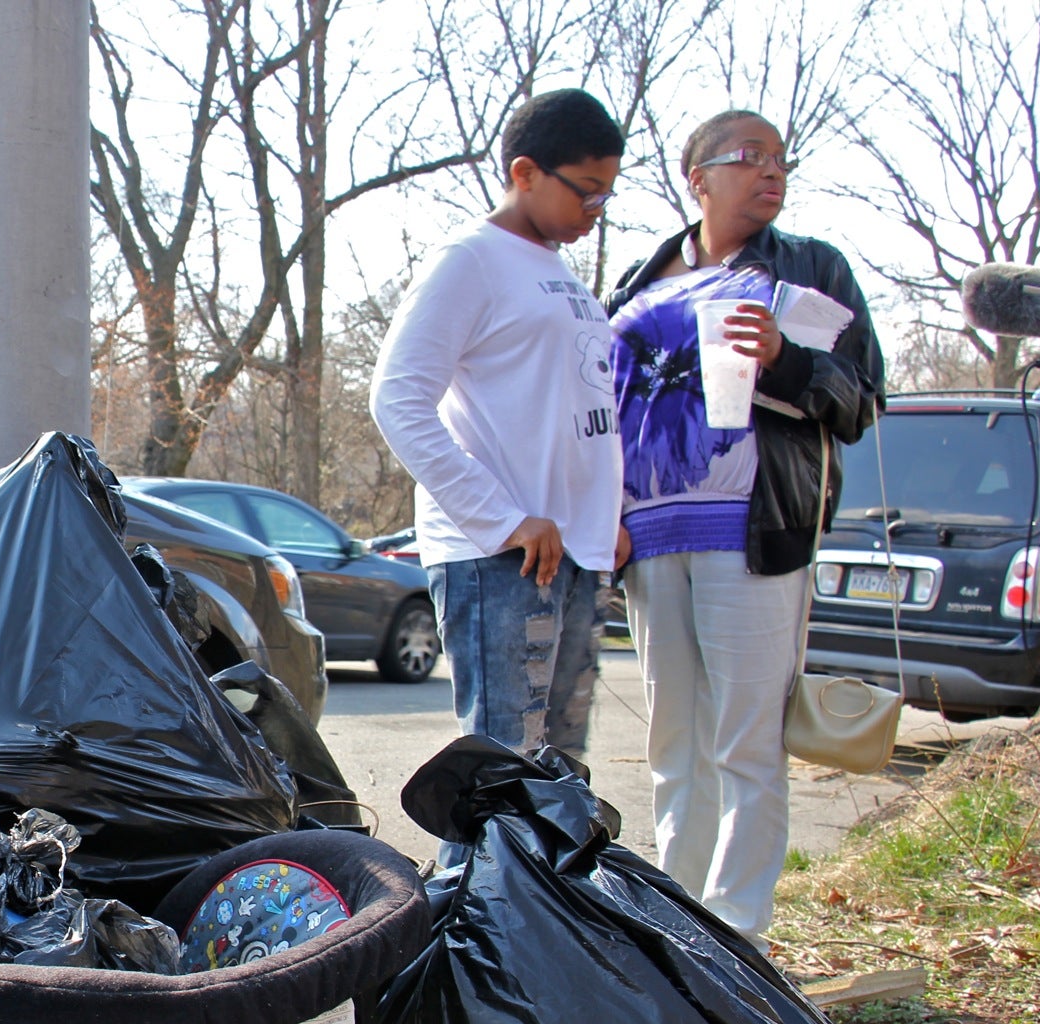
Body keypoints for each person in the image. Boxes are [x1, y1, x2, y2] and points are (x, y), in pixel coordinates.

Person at [604, 110, 884, 947]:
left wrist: (786, 361)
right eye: (748, 157)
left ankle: (739, 942)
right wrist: (604, 514)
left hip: (754, 532)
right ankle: (678, 928)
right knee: (673, 744)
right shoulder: (636, 281)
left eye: (780, 160)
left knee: (747, 746)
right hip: (651, 539)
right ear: (698, 177)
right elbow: (602, 411)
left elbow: (862, 401)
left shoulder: (811, 268)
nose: (772, 171)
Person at [371, 89, 630, 860]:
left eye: (607, 194)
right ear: (525, 171)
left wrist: (606, 514)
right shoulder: (471, 260)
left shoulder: (559, 273)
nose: (596, 209)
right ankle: (471, 951)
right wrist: (501, 515)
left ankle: (549, 940)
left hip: (575, 553)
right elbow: (397, 398)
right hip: (502, 555)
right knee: (499, 777)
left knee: (559, 778)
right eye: (585, 190)